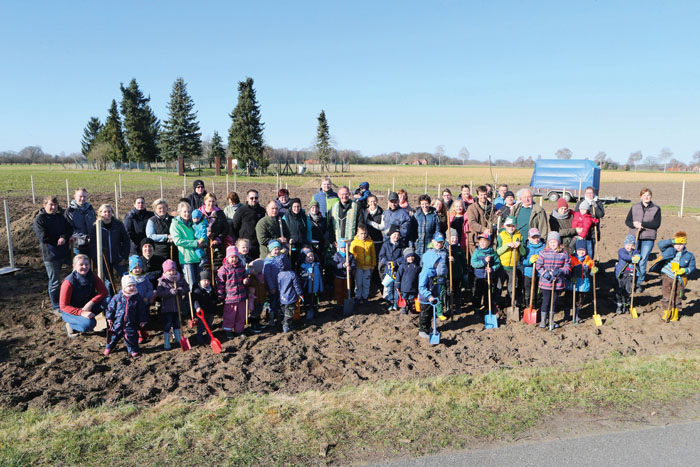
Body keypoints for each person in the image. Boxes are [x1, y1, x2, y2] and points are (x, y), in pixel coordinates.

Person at [34, 195, 74, 314]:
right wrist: (58, 239)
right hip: (51, 255)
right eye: (51, 205)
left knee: (76, 272)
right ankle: (56, 306)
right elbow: (43, 237)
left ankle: (71, 299)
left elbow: (69, 229)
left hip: (65, 253)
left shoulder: (60, 217)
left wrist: (64, 237)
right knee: (55, 282)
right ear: (44, 205)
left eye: (55, 205)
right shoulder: (40, 220)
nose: (53, 207)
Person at [59, 254, 108, 337]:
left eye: (86, 264)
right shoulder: (68, 282)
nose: (84, 267)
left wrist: (91, 302)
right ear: (74, 266)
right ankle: (71, 326)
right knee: (89, 324)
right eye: (81, 264)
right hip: (71, 311)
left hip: (87, 306)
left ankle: (110, 325)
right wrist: (81, 312)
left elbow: (104, 291)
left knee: (109, 300)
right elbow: (63, 306)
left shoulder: (92, 276)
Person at [625, 188, 661, 292]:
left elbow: (656, 224)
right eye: (644, 195)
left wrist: (643, 225)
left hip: (648, 238)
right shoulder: (634, 207)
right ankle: (631, 281)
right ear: (641, 196)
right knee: (633, 258)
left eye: (648, 195)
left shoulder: (656, 208)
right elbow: (627, 221)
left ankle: (639, 283)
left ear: (651, 196)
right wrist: (634, 224)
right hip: (634, 236)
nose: (646, 197)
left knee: (643, 260)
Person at [653, 231, 695, 321]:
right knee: (666, 295)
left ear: (685, 244)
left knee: (677, 296)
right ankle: (667, 312)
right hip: (667, 277)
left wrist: (684, 270)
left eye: (681, 243)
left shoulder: (689, 255)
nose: (678, 246)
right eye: (677, 243)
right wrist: (672, 241)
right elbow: (660, 244)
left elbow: (692, 267)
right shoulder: (669, 250)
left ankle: (675, 314)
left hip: (679, 279)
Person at [89, 204, 130, 295]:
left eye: (109, 211)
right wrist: (97, 260)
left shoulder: (118, 224)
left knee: (126, 277)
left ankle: (127, 296)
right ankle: (110, 301)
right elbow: (92, 245)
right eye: (105, 211)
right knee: (108, 281)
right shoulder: (95, 227)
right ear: (100, 213)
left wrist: (124, 256)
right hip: (103, 259)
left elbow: (126, 240)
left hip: (118, 257)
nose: (107, 213)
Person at [104, 275, 148, 357]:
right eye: (129, 286)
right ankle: (109, 347)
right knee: (114, 336)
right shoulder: (117, 297)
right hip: (118, 322)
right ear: (124, 287)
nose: (132, 287)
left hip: (131, 322)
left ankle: (132, 350)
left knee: (131, 337)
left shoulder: (137, 298)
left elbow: (142, 310)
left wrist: (142, 320)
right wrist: (109, 318)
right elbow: (110, 308)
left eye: (134, 285)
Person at [535, 232, 571, 329]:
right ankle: (543, 320)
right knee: (546, 301)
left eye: (555, 242)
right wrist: (545, 274)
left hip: (557, 282)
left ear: (558, 242)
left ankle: (551, 320)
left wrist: (559, 271)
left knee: (554, 301)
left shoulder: (564, 254)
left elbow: (567, 267)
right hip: (546, 282)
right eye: (551, 242)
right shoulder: (543, 253)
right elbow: (539, 266)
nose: (553, 244)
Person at [170, 201, 205, 289]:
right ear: (179, 212)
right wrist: (195, 243)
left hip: (197, 256)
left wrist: (203, 241)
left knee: (200, 283)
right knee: (191, 284)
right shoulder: (175, 224)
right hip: (186, 259)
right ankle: (191, 302)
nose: (187, 214)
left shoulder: (192, 223)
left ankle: (199, 302)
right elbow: (178, 241)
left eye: (189, 211)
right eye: (185, 211)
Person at [217, 245, 249, 338]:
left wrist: (246, 280)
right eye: (232, 257)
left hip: (241, 296)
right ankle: (228, 330)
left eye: (235, 257)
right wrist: (221, 295)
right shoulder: (223, 269)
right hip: (230, 298)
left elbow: (245, 276)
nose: (234, 259)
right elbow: (220, 284)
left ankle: (239, 330)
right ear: (227, 257)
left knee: (241, 315)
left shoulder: (241, 267)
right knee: (230, 315)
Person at [156, 259, 189, 350]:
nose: (172, 272)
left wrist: (181, 290)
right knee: (168, 324)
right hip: (167, 308)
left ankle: (178, 339)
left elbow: (187, 288)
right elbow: (159, 293)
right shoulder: (162, 281)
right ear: (165, 271)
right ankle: (167, 341)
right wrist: (170, 292)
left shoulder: (180, 278)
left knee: (177, 323)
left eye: (173, 270)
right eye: (169, 271)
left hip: (178, 307)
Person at [495, 216, 525, 309]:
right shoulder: (501, 236)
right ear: (505, 226)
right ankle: (496, 304)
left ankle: (511, 304)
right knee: (498, 286)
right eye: (509, 226)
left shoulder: (519, 236)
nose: (511, 228)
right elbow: (497, 251)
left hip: (513, 267)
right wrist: (507, 246)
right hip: (502, 266)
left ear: (516, 226)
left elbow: (523, 252)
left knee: (512, 287)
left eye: (513, 226)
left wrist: (519, 246)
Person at [566, 239, 595, 322]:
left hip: (583, 284)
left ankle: (577, 315)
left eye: (583, 250)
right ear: (576, 250)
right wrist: (570, 277)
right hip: (572, 285)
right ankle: (567, 316)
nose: (581, 252)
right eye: (579, 250)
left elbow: (591, 273)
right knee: (568, 300)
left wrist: (594, 271)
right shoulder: (572, 259)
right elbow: (567, 270)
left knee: (579, 301)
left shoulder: (589, 260)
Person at [231, 189, 266, 259]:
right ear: (247, 198)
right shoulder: (241, 211)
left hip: (258, 245)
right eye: (251, 198)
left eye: (256, 198)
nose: (254, 200)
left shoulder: (262, 211)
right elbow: (234, 226)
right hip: (245, 246)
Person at [471, 232, 500, 313]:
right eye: (481, 241)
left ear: (489, 243)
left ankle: (487, 308)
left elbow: (498, 263)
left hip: (489, 277)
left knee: (488, 293)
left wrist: (492, 269)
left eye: (485, 241)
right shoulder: (477, 252)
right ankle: (476, 309)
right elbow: (473, 263)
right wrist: (484, 261)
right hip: (479, 277)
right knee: (477, 294)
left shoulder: (492, 253)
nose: (482, 243)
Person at [128, 255, 154, 343]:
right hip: (135, 304)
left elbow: (150, 288)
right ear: (131, 269)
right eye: (135, 268)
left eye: (139, 267)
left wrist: (147, 296)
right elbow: (126, 291)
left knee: (144, 317)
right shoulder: (129, 278)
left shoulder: (145, 277)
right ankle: (138, 334)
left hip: (144, 302)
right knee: (136, 319)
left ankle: (143, 331)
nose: (137, 269)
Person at [379, 225, 405, 311]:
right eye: (394, 234)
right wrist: (387, 262)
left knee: (397, 287)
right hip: (389, 270)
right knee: (390, 287)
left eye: (398, 235)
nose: (396, 236)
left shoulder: (401, 245)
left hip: (397, 270)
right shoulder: (385, 245)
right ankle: (390, 302)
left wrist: (396, 262)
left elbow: (404, 257)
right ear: (390, 235)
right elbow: (381, 256)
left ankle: (396, 303)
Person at [361, 195, 384, 289]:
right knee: (368, 261)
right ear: (367, 203)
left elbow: (382, 227)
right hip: (367, 241)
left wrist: (370, 222)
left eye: (374, 201)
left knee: (377, 262)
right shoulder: (365, 212)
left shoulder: (381, 212)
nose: (372, 203)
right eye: (370, 201)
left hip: (378, 241)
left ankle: (377, 282)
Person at [198, 193, 229, 263]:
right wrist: (204, 234)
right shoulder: (199, 213)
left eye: (213, 201)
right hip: (202, 244)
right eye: (209, 201)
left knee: (217, 264)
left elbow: (225, 229)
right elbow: (194, 227)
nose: (211, 203)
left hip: (217, 245)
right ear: (205, 201)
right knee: (205, 266)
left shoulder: (220, 213)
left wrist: (218, 239)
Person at [64, 187, 96, 255]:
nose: (82, 198)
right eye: (80, 196)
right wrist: (85, 237)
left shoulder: (90, 209)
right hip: (77, 246)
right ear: (75, 196)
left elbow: (94, 224)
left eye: (84, 196)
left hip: (91, 244)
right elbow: (69, 229)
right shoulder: (70, 211)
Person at [418, 249, 441, 339]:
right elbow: (421, 287)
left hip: (434, 298)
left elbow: (436, 284)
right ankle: (422, 329)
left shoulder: (434, 272)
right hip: (426, 299)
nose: (437, 264)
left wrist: (438, 294)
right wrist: (429, 295)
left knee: (431, 314)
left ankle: (429, 327)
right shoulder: (424, 273)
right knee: (425, 315)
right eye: (435, 262)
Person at [263, 240, 287, 327]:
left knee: (279, 301)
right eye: (275, 249)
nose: (277, 251)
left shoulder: (280, 259)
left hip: (280, 285)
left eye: (278, 249)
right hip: (272, 286)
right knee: (272, 302)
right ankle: (271, 318)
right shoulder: (268, 262)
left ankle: (279, 316)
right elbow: (267, 276)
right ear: (270, 250)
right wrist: (271, 287)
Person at [350, 225, 376, 305]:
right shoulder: (354, 243)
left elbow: (373, 255)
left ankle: (365, 297)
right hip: (358, 267)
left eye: (365, 233)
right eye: (361, 233)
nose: (363, 235)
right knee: (358, 283)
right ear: (357, 233)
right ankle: (358, 297)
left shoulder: (370, 242)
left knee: (366, 283)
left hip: (368, 267)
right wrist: (353, 267)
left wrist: (373, 265)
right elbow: (351, 255)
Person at [614, 234, 640, 315]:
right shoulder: (622, 251)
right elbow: (624, 256)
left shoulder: (635, 252)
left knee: (628, 291)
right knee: (619, 290)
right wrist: (632, 258)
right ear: (625, 244)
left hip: (630, 275)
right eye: (628, 245)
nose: (629, 247)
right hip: (621, 275)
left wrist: (638, 256)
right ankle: (619, 305)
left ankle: (626, 306)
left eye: (631, 245)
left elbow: (639, 255)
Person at [521, 228, 545, 311]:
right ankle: (528, 306)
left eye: (537, 237)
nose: (536, 239)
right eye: (533, 237)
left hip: (539, 274)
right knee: (528, 291)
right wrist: (529, 261)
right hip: (528, 273)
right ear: (529, 238)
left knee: (538, 292)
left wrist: (540, 260)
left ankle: (536, 307)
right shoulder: (526, 248)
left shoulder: (543, 247)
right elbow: (522, 261)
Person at [277, 258, 304, 333]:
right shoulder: (292, 274)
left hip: (282, 297)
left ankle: (282, 323)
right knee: (289, 313)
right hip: (291, 297)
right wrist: (300, 293)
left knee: (284, 311)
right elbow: (296, 285)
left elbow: (278, 286)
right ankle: (286, 326)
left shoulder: (279, 274)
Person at [192, 269, 217, 344]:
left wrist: (216, 300)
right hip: (202, 312)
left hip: (210, 310)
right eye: (204, 280)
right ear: (200, 281)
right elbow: (195, 300)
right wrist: (197, 307)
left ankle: (209, 336)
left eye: (208, 280)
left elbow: (214, 298)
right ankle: (199, 338)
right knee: (201, 326)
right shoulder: (197, 291)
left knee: (209, 324)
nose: (207, 282)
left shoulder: (211, 288)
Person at [466, 185, 494, 254]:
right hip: (475, 241)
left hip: (488, 240)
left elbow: (493, 221)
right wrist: (484, 230)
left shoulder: (492, 207)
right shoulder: (471, 208)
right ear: (477, 196)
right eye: (481, 195)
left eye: (485, 194)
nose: (483, 197)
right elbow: (472, 223)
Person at [283, 198, 311, 264]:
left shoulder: (304, 217)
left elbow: (309, 231)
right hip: (291, 247)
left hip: (303, 246)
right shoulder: (286, 217)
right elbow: (283, 232)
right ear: (291, 207)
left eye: (298, 206)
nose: (296, 208)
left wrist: (309, 243)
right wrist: (288, 240)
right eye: (294, 207)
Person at [447, 228, 468, 315]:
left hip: (458, 275)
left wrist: (465, 273)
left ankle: (458, 306)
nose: (454, 239)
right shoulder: (446, 250)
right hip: (448, 276)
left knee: (457, 292)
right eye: (452, 238)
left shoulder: (460, 250)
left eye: (456, 238)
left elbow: (464, 262)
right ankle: (449, 307)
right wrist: (447, 259)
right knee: (448, 292)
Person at [299, 247, 323, 320]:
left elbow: (320, 275)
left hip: (316, 286)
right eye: (308, 256)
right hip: (307, 287)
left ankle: (315, 311)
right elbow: (301, 274)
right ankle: (308, 311)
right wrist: (309, 275)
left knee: (315, 299)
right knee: (308, 300)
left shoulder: (317, 265)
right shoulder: (303, 266)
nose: (310, 258)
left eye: (312, 256)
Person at [332, 239, 356, 310]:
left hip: (347, 277)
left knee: (347, 290)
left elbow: (354, 264)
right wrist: (343, 265)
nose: (344, 249)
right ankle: (339, 304)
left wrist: (350, 268)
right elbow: (335, 266)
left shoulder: (350, 255)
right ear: (339, 247)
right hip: (339, 277)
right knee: (339, 291)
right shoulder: (337, 255)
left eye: (346, 247)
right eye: (342, 247)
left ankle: (345, 304)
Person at [396, 247, 420, 315]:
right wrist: (397, 285)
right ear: (406, 257)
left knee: (411, 299)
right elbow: (398, 276)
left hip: (413, 288)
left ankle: (410, 309)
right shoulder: (402, 266)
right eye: (408, 256)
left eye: (412, 256)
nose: (410, 258)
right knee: (404, 298)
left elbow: (418, 277)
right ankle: (403, 308)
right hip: (404, 287)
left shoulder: (417, 267)